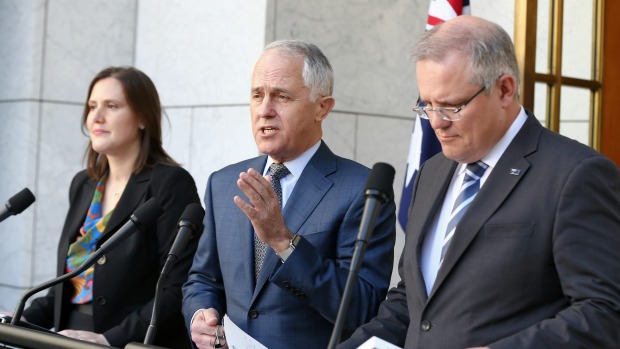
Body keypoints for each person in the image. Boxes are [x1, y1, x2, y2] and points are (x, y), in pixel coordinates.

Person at [339, 15, 620, 349]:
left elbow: (604, 312)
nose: (435, 123)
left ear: (504, 89)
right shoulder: (432, 172)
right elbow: (413, 301)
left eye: (451, 106)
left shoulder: (575, 174)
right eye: (426, 105)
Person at [182, 39, 397, 349]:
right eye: (257, 96)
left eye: (281, 96)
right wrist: (200, 314)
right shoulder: (224, 182)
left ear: (322, 108)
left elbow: (361, 307)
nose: (265, 110)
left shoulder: (361, 190)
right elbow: (202, 279)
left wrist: (284, 243)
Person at [21, 66, 201, 348]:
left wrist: (110, 339)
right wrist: (18, 319)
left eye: (112, 106)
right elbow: (70, 285)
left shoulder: (171, 183)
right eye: (92, 106)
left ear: (143, 117)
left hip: (130, 341)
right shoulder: (84, 184)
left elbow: (176, 286)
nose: (97, 117)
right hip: (70, 336)